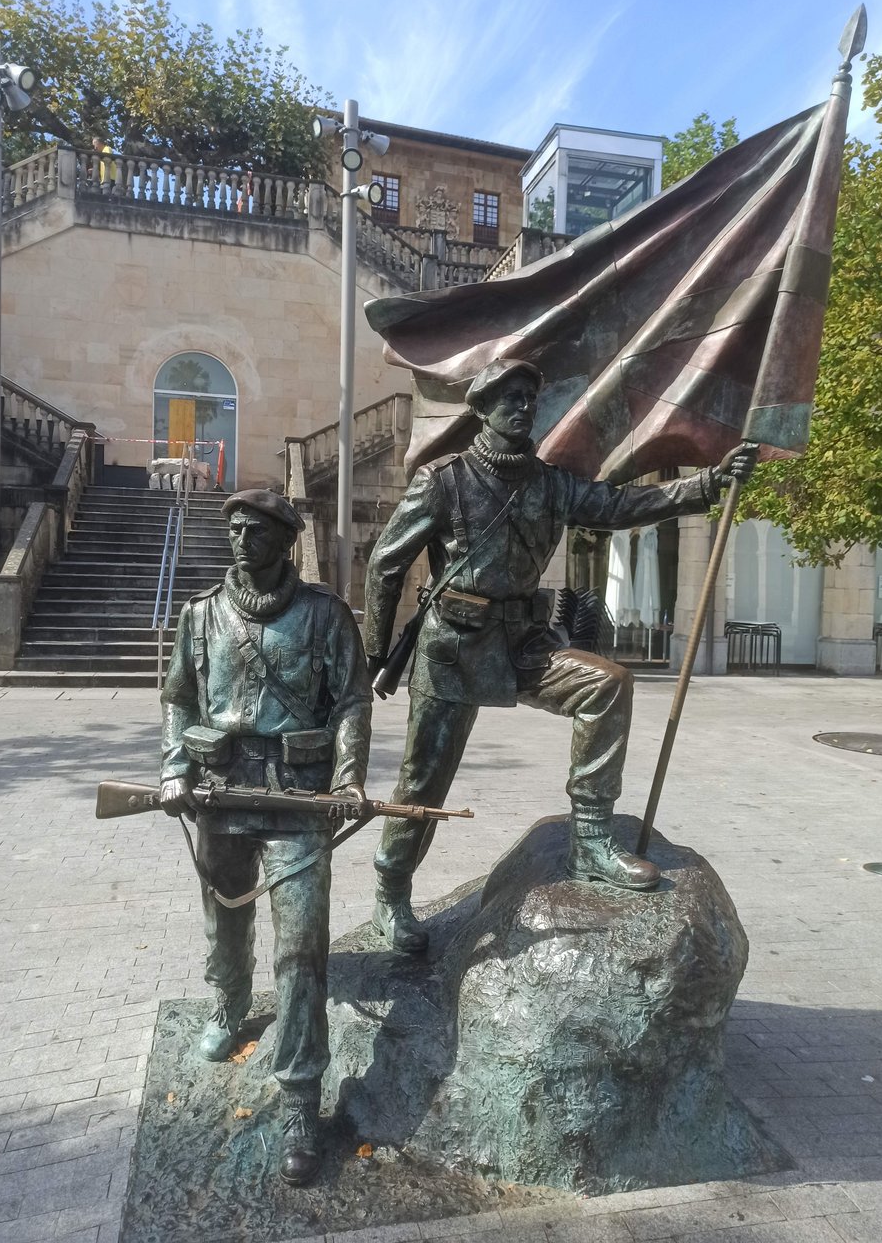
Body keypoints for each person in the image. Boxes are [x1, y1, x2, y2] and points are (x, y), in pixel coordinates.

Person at [363, 358, 757, 955]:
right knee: (423, 781)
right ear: (481, 408)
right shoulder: (443, 480)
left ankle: (592, 841)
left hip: (525, 643)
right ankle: (391, 890)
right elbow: (385, 563)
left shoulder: (550, 484)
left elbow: (618, 507)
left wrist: (705, 485)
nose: (523, 406)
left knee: (607, 684)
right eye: (509, 397)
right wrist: (374, 654)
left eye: (529, 396)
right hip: (456, 648)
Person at [160, 489, 372, 1186]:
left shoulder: (324, 615)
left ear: (286, 540)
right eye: (234, 529)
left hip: (298, 798)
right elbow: (178, 699)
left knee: (301, 951)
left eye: (256, 530)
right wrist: (174, 770)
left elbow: (351, 700)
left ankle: (299, 1101)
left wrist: (348, 778)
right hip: (220, 794)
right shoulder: (200, 615)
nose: (241, 539)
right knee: (225, 919)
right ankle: (229, 1003)